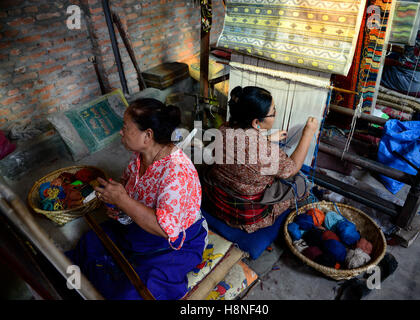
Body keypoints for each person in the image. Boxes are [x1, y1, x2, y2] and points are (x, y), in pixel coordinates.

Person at [66, 98, 208, 300]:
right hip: (140, 229)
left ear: (148, 135)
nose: (121, 132)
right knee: (91, 242)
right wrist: (114, 200)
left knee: (138, 290)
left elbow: (165, 229)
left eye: (125, 127)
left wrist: (123, 201)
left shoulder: (177, 173)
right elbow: (130, 191)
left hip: (175, 243)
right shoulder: (139, 159)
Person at [202, 86, 318, 233]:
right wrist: (308, 132)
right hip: (244, 216)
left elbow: (243, 145)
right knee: (301, 183)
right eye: (273, 112)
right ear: (256, 122)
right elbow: (293, 167)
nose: (276, 113)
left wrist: (266, 138)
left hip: (217, 202)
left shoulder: (223, 129)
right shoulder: (266, 152)